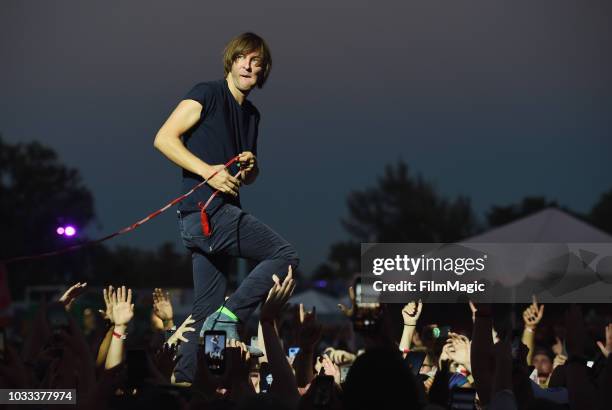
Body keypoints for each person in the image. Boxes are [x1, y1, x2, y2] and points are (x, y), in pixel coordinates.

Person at [153, 32, 299, 383]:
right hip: (206, 212)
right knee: (285, 255)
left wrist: (251, 168)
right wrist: (207, 171)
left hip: (216, 213)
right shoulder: (207, 93)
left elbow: (246, 178)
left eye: (257, 62)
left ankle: (189, 383)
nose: (249, 66)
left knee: (204, 311)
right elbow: (163, 138)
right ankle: (231, 315)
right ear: (231, 62)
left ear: (263, 72)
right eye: (243, 58)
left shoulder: (251, 115)